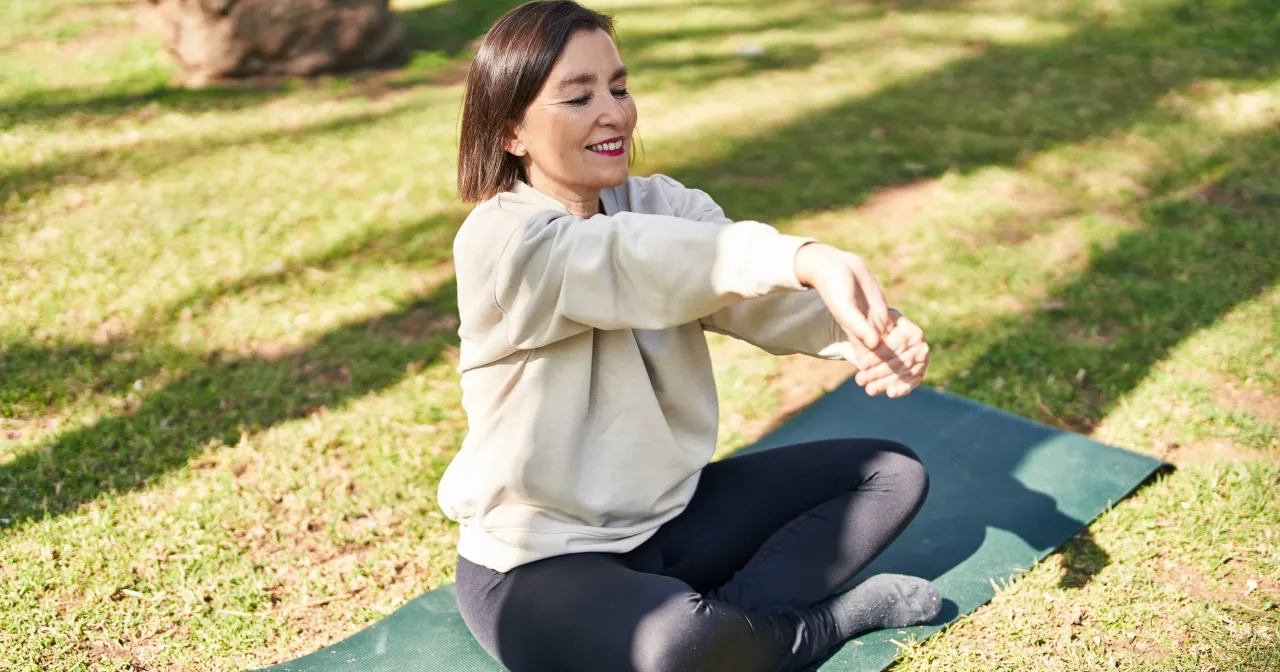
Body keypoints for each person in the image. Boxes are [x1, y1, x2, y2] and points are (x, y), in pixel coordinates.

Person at [438, 2, 940, 670]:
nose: (613, 112)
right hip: (536, 564)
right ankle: (812, 628)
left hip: (670, 523)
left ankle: (732, 631)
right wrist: (804, 256)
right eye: (578, 97)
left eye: (618, 87)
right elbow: (638, 263)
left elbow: (749, 298)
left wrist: (871, 332)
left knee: (890, 474)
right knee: (675, 643)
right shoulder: (503, 240)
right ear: (510, 133)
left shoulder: (660, 205)